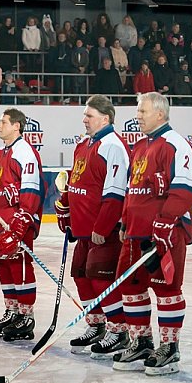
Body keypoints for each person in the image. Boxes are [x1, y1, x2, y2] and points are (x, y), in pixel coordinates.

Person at [111, 92, 192, 375]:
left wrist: (166, 219)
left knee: (167, 289)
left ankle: (170, 348)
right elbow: (131, 190)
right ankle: (142, 342)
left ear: (160, 114)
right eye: (138, 111)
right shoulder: (138, 146)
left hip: (165, 234)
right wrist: (125, 222)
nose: (138, 116)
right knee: (131, 287)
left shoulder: (176, 145)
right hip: (135, 234)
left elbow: (186, 189)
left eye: (142, 111)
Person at [56, 95, 130, 358]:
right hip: (82, 228)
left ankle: (119, 330)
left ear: (106, 118)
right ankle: (96, 324)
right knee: (81, 276)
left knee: (101, 280)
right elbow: (74, 181)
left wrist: (103, 226)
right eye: (85, 115)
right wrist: (65, 208)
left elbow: (115, 194)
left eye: (89, 115)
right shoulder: (83, 144)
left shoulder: (113, 146)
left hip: (104, 231)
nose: (84, 119)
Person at [0, 108, 46, 342]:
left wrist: (23, 219)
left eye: (3, 122)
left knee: (20, 269)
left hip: (16, 225)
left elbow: (32, 188)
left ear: (16, 126)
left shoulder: (25, 151)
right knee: (3, 268)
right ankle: (12, 311)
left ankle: (26, 317)